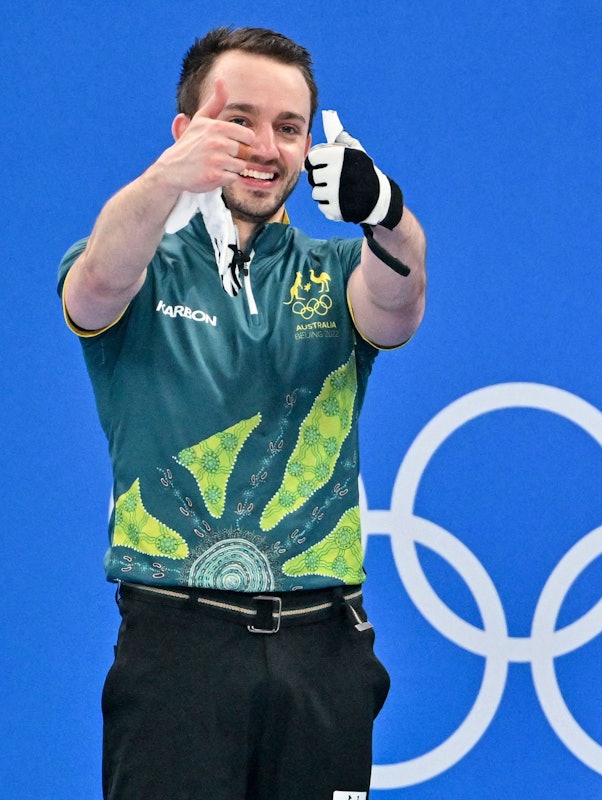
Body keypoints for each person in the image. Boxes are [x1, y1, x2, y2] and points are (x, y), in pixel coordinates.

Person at [58, 26, 427, 800]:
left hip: (326, 646)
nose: (266, 146)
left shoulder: (335, 271)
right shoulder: (138, 258)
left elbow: (397, 307)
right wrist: (164, 182)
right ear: (185, 132)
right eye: (239, 121)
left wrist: (384, 210)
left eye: (288, 128)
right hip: (178, 646)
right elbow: (92, 289)